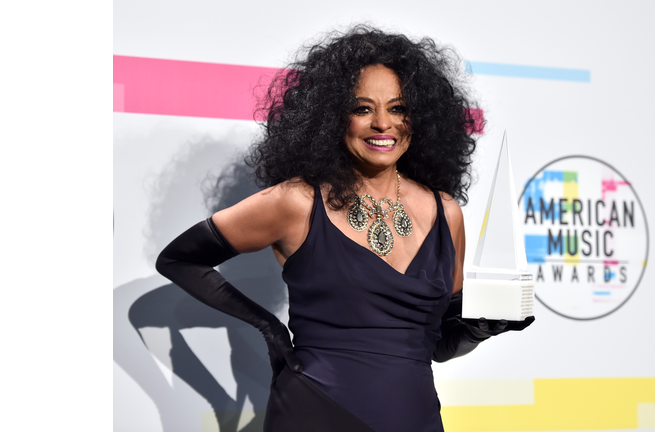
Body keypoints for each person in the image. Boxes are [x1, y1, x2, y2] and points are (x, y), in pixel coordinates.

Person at [156, 25, 534, 432]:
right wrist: (267, 326)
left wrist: (482, 329)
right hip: (316, 413)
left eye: (399, 108)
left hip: (417, 419)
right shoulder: (297, 202)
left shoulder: (446, 213)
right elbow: (178, 260)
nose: (382, 124)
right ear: (332, 116)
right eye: (362, 108)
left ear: (420, 119)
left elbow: (437, 346)